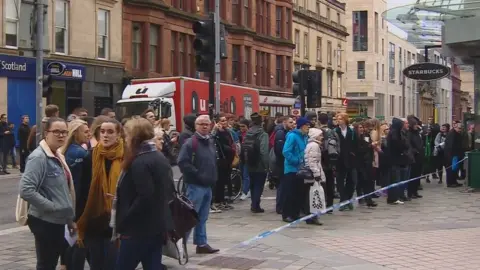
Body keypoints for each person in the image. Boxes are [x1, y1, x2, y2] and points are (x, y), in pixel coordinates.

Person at [113, 117, 173, 269]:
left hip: (137, 229)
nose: (124, 139)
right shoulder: (158, 156)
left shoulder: (140, 161)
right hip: (156, 226)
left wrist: (125, 219)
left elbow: (145, 196)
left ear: (134, 137)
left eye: (126, 135)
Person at [19, 117, 76, 270]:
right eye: (56, 131)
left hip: (58, 220)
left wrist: (69, 219)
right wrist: (52, 207)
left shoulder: (58, 155)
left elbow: (63, 191)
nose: (61, 135)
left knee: (50, 262)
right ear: (46, 133)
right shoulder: (39, 157)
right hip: (45, 221)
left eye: (64, 132)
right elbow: (26, 189)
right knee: (46, 264)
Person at [76, 119, 124, 269]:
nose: (105, 135)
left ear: (118, 134)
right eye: (102, 132)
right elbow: (82, 189)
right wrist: (78, 217)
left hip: (118, 218)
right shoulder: (90, 156)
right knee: (96, 263)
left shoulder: (127, 157)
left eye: (110, 132)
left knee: (114, 263)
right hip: (95, 217)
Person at [177, 115, 219, 254]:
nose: (204, 126)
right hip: (195, 186)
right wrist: (198, 174)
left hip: (207, 185)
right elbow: (183, 162)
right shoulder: (190, 143)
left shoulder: (210, 141)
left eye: (207, 124)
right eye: (201, 124)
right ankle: (181, 247)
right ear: (196, 126)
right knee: (190, 217)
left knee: (202, 216)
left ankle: (201, 243)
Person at [281, 117, 310, 223]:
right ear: (302, 126)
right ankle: (287, 214)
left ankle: (295, 213)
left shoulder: (305, 137)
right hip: (291, 169)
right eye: (307, 125)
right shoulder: (292, 136)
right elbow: (286, 151)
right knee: (290, 192)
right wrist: (297, 160)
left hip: (301, 169)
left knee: (299, 192)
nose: (308, 127)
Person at [244, 112, 269, 213]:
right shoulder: (263, 134)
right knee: (259, 184)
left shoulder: (248, 133)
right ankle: (256, 205)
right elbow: (264, 151)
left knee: (253, 184)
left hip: (249, 162)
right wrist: (266, 165)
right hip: (259, 163)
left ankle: (253, 204)